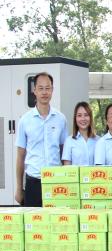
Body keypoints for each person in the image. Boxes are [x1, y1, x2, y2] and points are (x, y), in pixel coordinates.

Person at [15, 72, 68, 206]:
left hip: (56, 181)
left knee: (57, 218)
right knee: (33, 219)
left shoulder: (61, 119)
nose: (44, 92)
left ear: (52, 90)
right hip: (33, 182)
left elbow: (65, 153)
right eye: (41, 88)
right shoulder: (25, 120)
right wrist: (19, 188)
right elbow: (20, 156)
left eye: (47, 88)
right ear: (34, 91)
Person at [61, 102, 98, 166]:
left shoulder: (99, 140)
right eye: (79, 115)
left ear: (91, 117)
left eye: (86, 115)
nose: (83, 119)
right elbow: (67, 168)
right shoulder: (69, 141)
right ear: (75, 118)